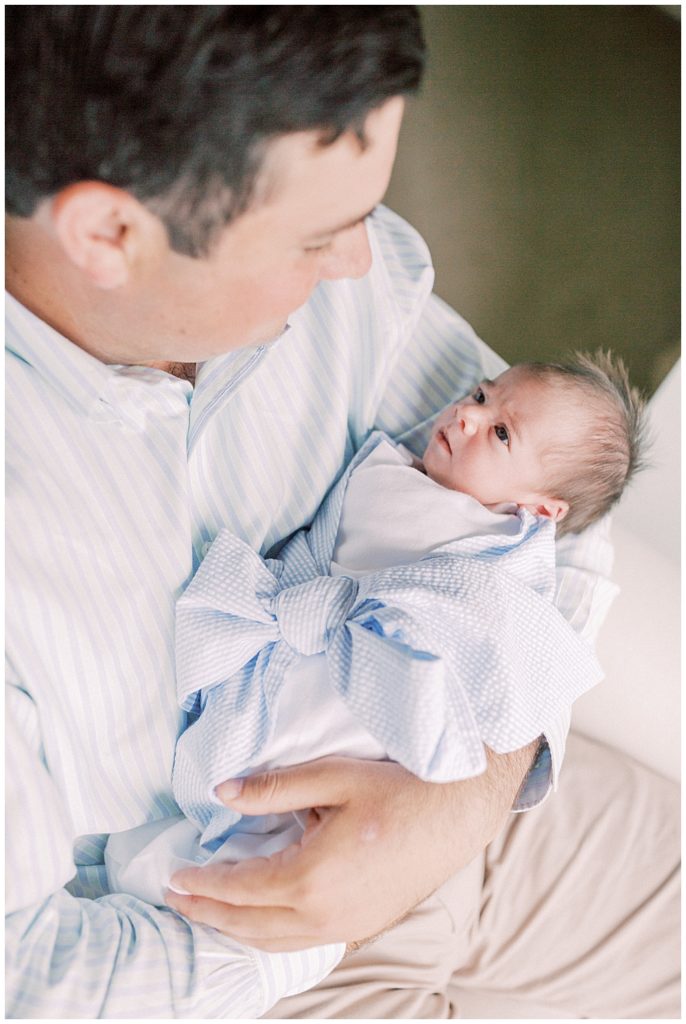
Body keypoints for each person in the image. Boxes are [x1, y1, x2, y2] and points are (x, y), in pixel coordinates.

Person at [5, 7, 678, 1020]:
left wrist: (455, 803)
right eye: (320, 236)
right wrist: (330, 908)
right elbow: (30, 976)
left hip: (480, 800)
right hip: (218, 946)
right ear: (109, 232)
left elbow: (554, 511)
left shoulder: (341, 282)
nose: (369, 261)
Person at [104, 354, 645, 1018]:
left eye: (502, 433)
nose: (469, 413)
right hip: (297, 659)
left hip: (378, 729)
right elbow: (320, 549)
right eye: (480, 394)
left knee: (250, 890)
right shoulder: (386, 466)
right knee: (192, 842)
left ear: (539, 509)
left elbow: (522, 665)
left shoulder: (502, 560)